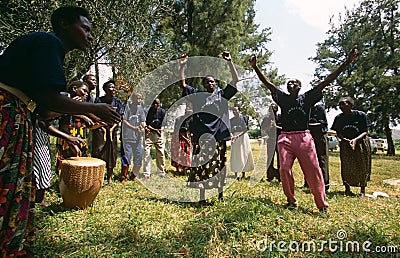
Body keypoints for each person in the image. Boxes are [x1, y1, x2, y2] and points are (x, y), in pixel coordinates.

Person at [0, 6, 120, 256]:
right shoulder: (48, 42)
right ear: (64, 24)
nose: (89, 35)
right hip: (6, 113)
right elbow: (49, 98)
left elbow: (44, 108)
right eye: (85, 28)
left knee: (13, 185)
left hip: (17, 114)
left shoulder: (49, 50)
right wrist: (94, 108)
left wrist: (81, 113)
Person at [249, 45, 358, 213]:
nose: (290, 84)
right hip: (285, 138)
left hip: (303, 138)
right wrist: (255, 67)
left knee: (313, 171)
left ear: (300, 87)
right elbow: (268, 84)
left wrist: (347, 62)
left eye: (294, 82)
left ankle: (321, 204)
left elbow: (328, 80)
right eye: (288, 83)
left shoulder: (307, 99)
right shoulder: (283, 99)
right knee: (284, 169)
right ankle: (291, 200)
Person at [179, 51, 238, 201]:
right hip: (203, 137)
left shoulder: (222, 95)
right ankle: (202, 196)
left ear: (216, 84)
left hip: (218, 136)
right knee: (202, 166)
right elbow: (183, 85)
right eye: (207, 82)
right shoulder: (198, 96)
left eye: (212, 81)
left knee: (219, 165)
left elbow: (235, 80)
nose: (210, 84)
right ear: (204, 85)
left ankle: (220, 195)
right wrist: (182, 66)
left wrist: (230, 61)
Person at [331, 97, 372, 196]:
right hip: (346, 144)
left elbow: (365, 131)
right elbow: (338, 132)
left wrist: (355, 140)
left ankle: (362, 190)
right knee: (346, 165)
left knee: (362, 165)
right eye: (340, 105)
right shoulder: (339, 118)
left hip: (361, 143)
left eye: (344, 104)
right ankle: (347, 188)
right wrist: (345, 140)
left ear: (351, 105)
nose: (341, 107)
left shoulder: (361, 115)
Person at [55, 81, 93, 172]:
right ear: (74, 89)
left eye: (87, 92)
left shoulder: (79, 104)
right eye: (84, 91)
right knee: (69, 165)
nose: (86, 94)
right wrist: (72, 144)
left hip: (79, 136)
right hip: (68, 139)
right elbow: (64, 126)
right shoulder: (65, 101)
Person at [92, 80, 125, 184]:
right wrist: (102, 127)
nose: (114, 89)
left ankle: (109, 178)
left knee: (111, 153)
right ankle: (98, 178)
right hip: (100, 129)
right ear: (105, 89)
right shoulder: (99, 100)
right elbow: (94, 114)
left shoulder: (118, 102)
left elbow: (120, 117)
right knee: (99, 152)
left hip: (112, 130)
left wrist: (111, 129)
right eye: (111, 87)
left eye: (114, 87)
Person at [121, 93, 146, 183]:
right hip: (127, 137)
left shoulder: (141, 109)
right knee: (127, 156)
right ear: (133, 99)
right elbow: (124, 120)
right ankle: (123, 177)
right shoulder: (127, 108)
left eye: (141, 99)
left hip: (137, 138)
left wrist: (145, 127)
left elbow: (142, 121)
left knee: (139, 156)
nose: (139, 100)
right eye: (138, 98)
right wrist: (134, 128)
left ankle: (133, 175)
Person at [304, 102, 330, 191]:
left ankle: (325, 184)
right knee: (308, 159)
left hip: (320, 136)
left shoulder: (319, 108)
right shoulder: (306, 108)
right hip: (308, 136)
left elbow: (323, 123)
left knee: (322, 159)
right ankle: (308, 183)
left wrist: (307, 126)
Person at [143, 98, 167, 179]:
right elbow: (146, 124)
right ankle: (146, 173)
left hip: (159, 134)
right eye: (154, 103)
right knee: (146, 153)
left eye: (157, 103)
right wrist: (155, 130)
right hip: (149, 134)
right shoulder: (147, 111)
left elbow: (164, 124)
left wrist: (160, 131)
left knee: (161, 153)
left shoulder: (162, 112)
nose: (155, 105)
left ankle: (161, 172)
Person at [230, 106, 254, 179]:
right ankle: (235, 173)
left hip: (242, 137)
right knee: (235, 154)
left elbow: (245, 129)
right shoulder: (231, 120)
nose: (234, 112)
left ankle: (243, 173)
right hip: (234, 137)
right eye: (233, 110)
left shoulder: (244, 118)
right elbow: (230, 129)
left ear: (239, 110)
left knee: (244, 153)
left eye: (236, 110)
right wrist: (232, 136)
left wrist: (237, 136)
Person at [261, 103, 281, 182]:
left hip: (279, 140)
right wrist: (267, 130)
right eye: (271, 108)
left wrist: (275, 126)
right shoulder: (267, 118)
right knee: (270, 158)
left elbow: (284, 128)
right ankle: (270, 176)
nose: (272, 109)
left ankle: (280, 176)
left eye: (274, 108)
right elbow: (263, 128)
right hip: (271, 140)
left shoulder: (279, 117)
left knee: (280, 159)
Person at [171, 105, 193, 176]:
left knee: (186, 154)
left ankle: (185, 170)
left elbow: (191, 131)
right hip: (178, 137)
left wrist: (190, 139)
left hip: (187, 138)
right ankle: (177, 170)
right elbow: (177, 130)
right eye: (187, 113)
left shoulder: (191, 120)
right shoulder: (179, 119)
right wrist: (185, 138)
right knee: (177, 153)